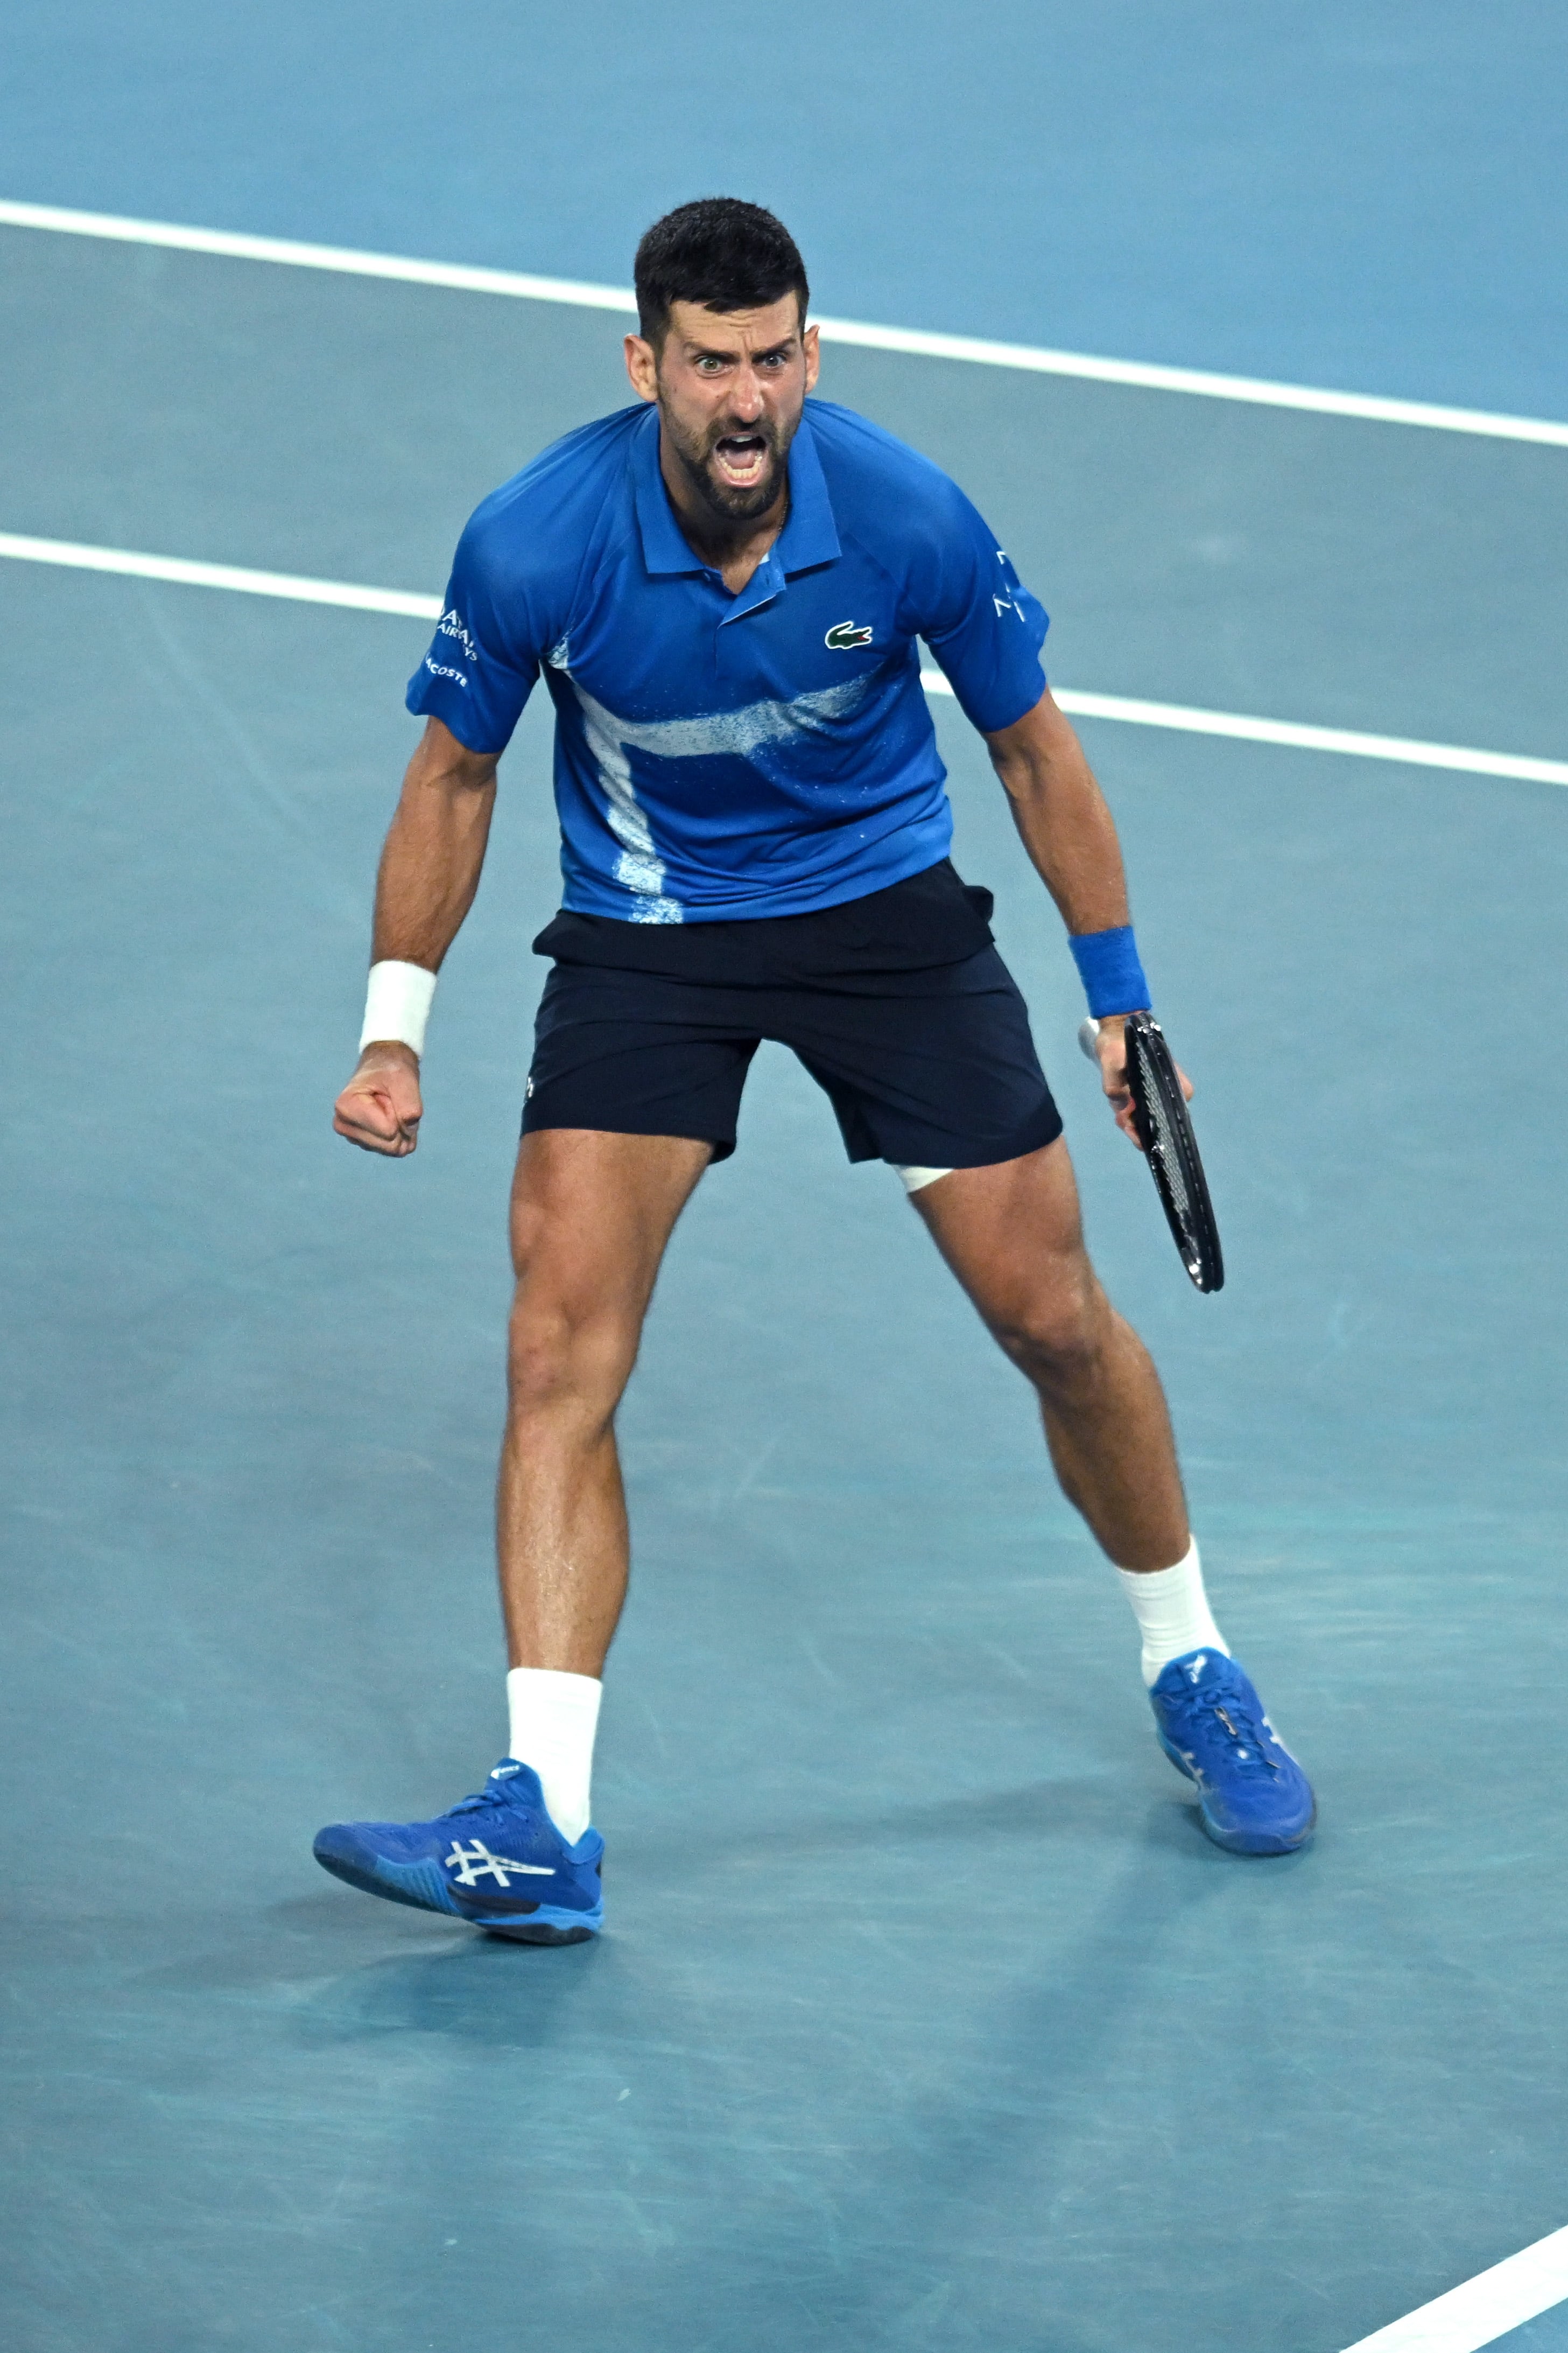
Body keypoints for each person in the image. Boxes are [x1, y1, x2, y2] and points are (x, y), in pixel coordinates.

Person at [313, 198, 1313, 1945]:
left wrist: (1118, 999)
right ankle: (542, 1811)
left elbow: (1029, 744)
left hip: (885, 925)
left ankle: (1193, 1658)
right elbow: (453, 777)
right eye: (711, 363)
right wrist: (393, 1026)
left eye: (776, 354)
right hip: (649, 941)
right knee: (558, 1340)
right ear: (648, 368)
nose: (748, 394)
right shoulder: (535, 539)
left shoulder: (907, 514)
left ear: (811, 354)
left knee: (1056, 1321)